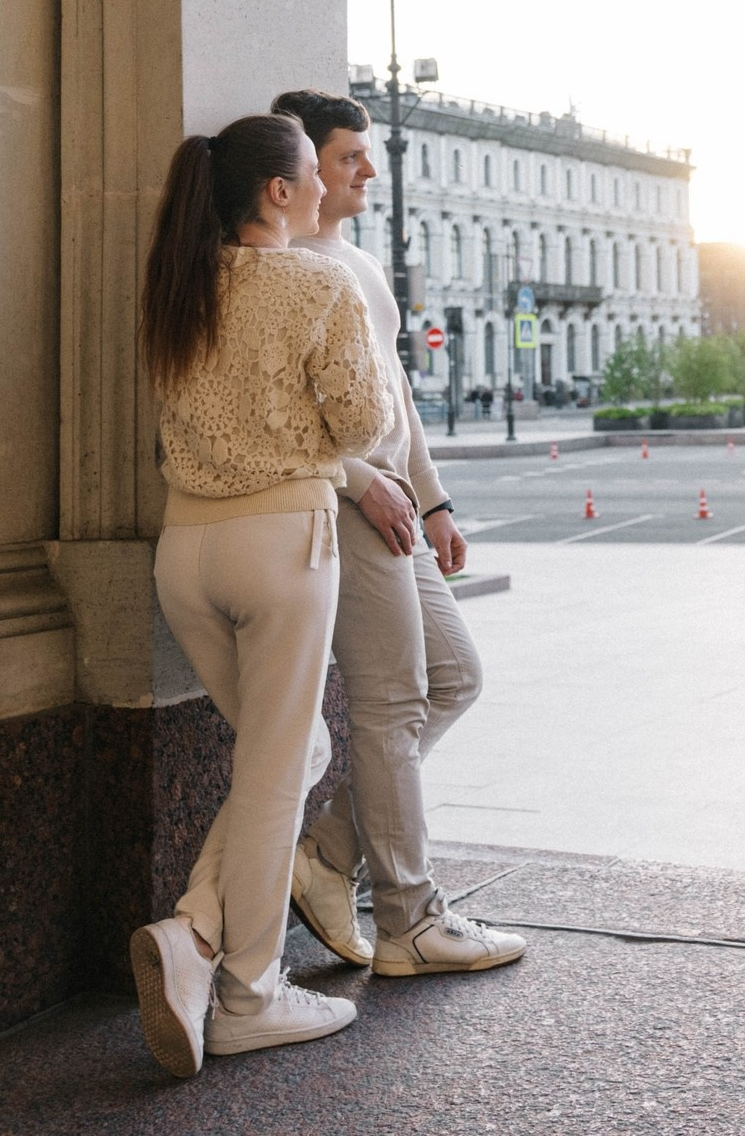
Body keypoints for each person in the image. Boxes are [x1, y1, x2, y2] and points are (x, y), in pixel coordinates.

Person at [130, 113, 390, 1078]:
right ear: (277, 192)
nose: (326, 188)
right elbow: (363, 421)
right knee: (281, 768)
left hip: (185, 547)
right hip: (280, 541)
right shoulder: (316, 280)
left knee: (287, 754)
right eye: (309, 177)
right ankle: (246, 994)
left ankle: (193, 935)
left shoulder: (177, 287)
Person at [271, 91, 527, 983]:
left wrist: (436, 498)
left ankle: (327, 851)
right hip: (348, 504)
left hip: (397, 506)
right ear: (302, 168)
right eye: (349, 158)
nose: (367, 172)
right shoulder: (283, 265)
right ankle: (410, 919)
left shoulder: (357, 262)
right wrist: (359, 479)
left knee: (455, 674)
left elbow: (397, 398)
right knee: (391, 701)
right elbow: (282, 413)